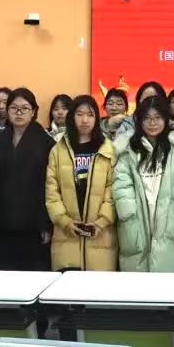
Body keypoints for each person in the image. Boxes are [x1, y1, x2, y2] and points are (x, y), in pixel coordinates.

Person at [113, 96, 174, 273]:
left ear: (166, 119)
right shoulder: (128, 148)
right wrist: (128, 216)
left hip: (168, 221)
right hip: (135, 219)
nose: (152, 123)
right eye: (147, 118)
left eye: (157, 117)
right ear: (139, 120)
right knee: (136, 279)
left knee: (165, 280)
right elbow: (121, 184)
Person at [0, 88, 55, 270]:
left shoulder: (46, 143)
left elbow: (50, 186)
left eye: (25, 108)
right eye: (14, 108)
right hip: (1, 224)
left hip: (33, 226)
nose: (19, 112)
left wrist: (45, 225)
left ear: (34, 111)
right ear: (7, 111)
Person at [45, 94, 117, 271]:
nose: (85, 120)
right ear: (72, 117)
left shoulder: (108, 150)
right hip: (66, 239)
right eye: (79, 114)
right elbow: (52, 192)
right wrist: (65, 221)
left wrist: (101, 222)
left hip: (101, 239)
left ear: (97, 118)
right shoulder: (57, 150)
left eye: (90, 114)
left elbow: (113, 190)